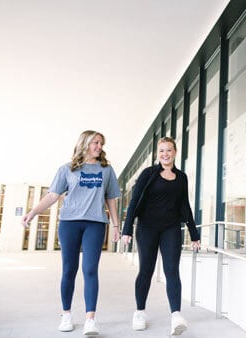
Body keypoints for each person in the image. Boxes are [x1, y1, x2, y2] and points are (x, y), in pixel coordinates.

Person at [21, 130, 121, 336]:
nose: (99, 147)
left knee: (90, 269)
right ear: (84, 143)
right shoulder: (66, 169)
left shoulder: (107, 170)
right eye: (95, 142)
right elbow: (52, 196)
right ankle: (66, 314)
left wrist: (116, 225)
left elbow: (111, 199)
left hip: (95, 224)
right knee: (69, 270)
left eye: (101, 143)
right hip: (69, 223)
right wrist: (32, 212)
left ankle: (90, 320)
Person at [121, 136, 201, 336]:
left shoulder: (181, 177)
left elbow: (185, 206)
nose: (165, 154)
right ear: (158, 154)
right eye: (162, 151)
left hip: (171, 229)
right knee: (146, 270)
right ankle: (140, 312)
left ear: (175, 152)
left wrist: (194, 233)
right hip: (147, 228)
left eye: (169, 150)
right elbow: (134, 202)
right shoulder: (149, 174)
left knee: (172, 270)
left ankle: (176, 316)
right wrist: (127, 229)